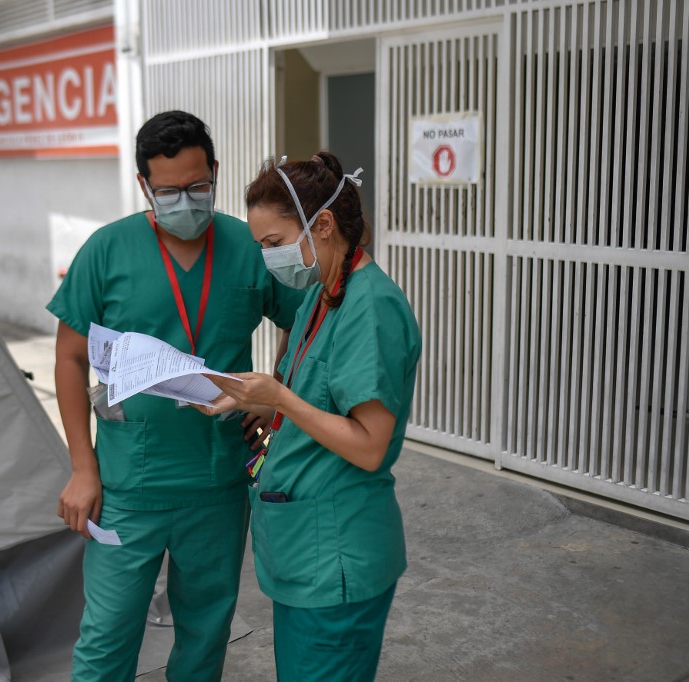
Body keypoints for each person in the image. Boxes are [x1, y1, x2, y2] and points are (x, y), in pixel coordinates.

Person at [47, 110, 303, 681]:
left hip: (217, 483)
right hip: (129, 486)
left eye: (197, 186)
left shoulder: (247, 244)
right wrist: (82, 468)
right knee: (109, 633)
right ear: (144, 186)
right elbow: (68, 357)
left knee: (206, 632)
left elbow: (302, 319)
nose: (184, 200)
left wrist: (276, 393)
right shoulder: (107, 250)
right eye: (168, 191)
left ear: (215, 171)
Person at [202, 151, 422, 681]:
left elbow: (369, 445)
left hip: (338, 555)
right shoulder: (324, 296)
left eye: (274, 244)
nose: (268, 259)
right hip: (307, 551)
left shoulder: (371, 309)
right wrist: (252, 397)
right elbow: (313, 392)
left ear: (321, 225)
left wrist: (279, 400)